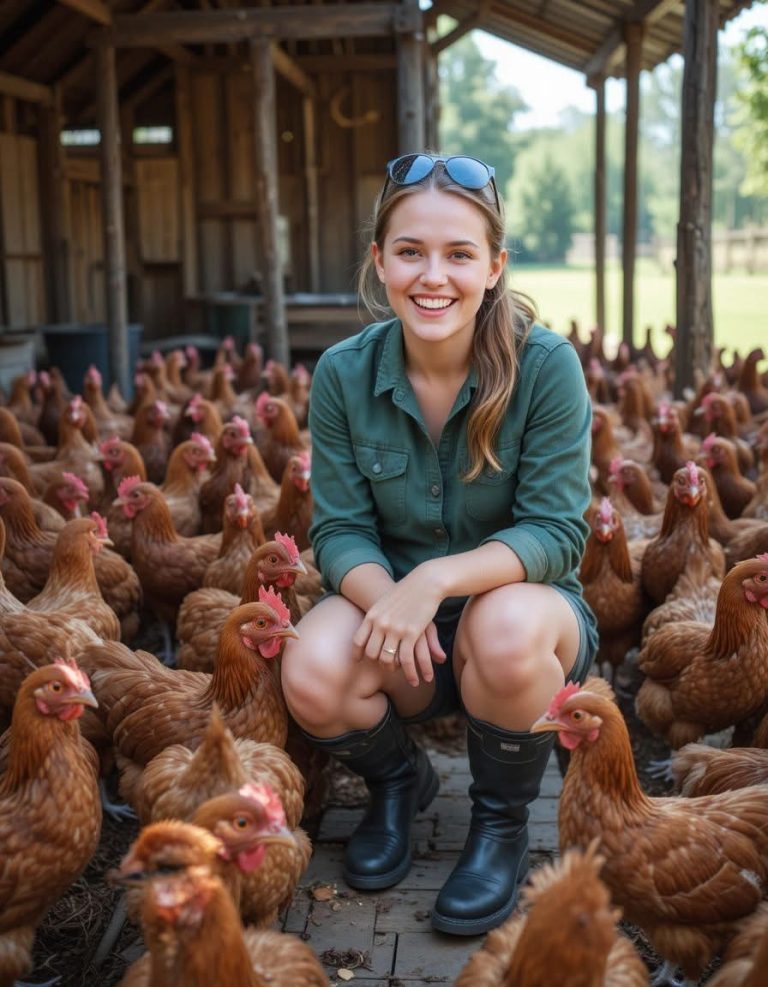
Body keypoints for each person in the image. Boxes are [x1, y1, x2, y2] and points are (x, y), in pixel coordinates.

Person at [281, 152, 598, 937]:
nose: (434, 275)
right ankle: (398, 782)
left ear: (494, 266)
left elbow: (558, 532)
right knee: (312, 669)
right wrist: (391, 595)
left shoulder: (545, 366)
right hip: (403, 630)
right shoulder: (344, 374)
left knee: (506, 625)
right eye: (411, 250)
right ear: (379, 260)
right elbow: (341, 529)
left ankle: (499, 823)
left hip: (521, 622)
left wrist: (434, 582)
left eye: (459, 254)